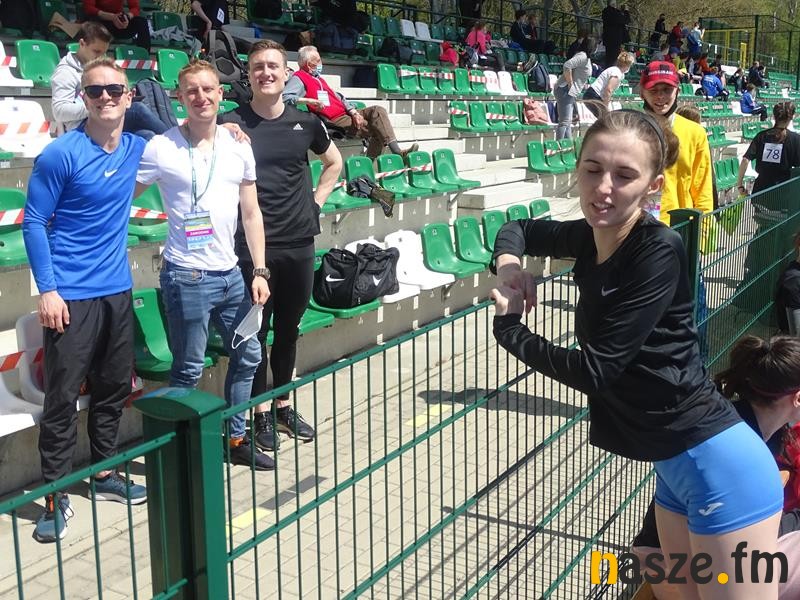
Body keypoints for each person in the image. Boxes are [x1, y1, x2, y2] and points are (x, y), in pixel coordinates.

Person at [490, 108, 783, 600]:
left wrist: (509, 329)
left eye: (624, 175)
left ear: (653, 185)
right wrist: (509, 266)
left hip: (725, 471)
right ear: (577, 169)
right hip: (674, 470)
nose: (604, 188)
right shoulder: (589, 236)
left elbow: (596, 370)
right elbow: (517, 227)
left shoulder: (657, 251)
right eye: (593, 169)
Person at [23, 57, 148, 543]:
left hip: (117, 290)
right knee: (61, 398)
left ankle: (104, 473)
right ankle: (55, 494)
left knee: (114, 387)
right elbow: (35, 222)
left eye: (114, 90)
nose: (105, 98)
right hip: (70, 297)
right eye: (95, 91)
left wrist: (229, 127)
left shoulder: (137, 147)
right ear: (83, 99)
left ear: (128, 95)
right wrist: (48, 290)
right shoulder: (61, 154)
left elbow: (191, 138)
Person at [136, 60, 273, 470]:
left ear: (220, 94)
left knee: (248, 356)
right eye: (192, 90)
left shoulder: (238, 144)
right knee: (189, 369)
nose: (201, 97)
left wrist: (260, 270)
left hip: (232, 276)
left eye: (208, 89)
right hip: (186, 277)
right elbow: (124, 194)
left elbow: (251, 213)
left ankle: (236, 439)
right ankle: (184, 455)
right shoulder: (161, 147)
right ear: (179, 96)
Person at [221, 40, 342, 452]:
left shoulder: (306, 122)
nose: (266, 73)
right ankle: (258, 415)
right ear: (249, 73)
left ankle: (283, 405)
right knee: (255, 334)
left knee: (288, 331)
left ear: (287, 74)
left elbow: (335, 163)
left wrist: (316, 203)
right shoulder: (230, 122)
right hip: (251, 249)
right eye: (258, 66)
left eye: (273, 66)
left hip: (299, 243)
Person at [631, 334, 800, 600]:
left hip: (676, 553)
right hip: (676, 568)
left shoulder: (741, 421)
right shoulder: (740, 451)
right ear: (797, 398)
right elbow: (731, 537)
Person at [283, 46, 417, 160]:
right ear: (309, 64)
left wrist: (354, 113)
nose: (321, 63)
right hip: (335, 120)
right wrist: (308, 100)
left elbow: (340, 98)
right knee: (376, 128)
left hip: (347, 113)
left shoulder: (319, 79)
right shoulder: (299, 78)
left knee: (378, 110)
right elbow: (285, 97)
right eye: (318, 60)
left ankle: (395, 152)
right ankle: (391, 157)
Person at [50, 22, 168, 139]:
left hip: (103, 119)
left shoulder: (97, 67)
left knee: (147, 135)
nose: (100, 57)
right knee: (137, 109)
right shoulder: (65, 72)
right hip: (82, 127)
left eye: (103, 53)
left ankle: (171, 142)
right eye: (96, 51)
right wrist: (97, 106)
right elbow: (59, 111)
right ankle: (173, 139)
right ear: (82, 43)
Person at [639, 60, 713, 225]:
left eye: (667, 90)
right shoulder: (628, 127)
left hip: (678, 227)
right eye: (653, 90)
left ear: (677, 91)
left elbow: (703, 190)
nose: (660, 96)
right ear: (642, 92)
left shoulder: (695, 133)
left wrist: (702, 231)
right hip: (634, 226)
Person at [737, 102, 800, 195]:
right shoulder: (796, 139)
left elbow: (745, 160)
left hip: (761, 190)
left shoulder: (761, 136)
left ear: (774, 117)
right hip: (784, 191)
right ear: (791, 118)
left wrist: (740, 185)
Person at [553, 37, 596, 139]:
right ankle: (558, 145)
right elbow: (567, 65)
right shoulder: (582, 56)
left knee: (567, 122)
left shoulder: (585, 57)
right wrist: (570, 83)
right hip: (565, 90)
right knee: (564, 122)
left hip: (570, 92)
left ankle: (568, 145)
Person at [82, 0, 150, 51]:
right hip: (100, 21)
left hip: (118, 22)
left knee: (141, 22)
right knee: (93, 21)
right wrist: (112, 17)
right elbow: (89, 8)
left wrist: (127, 17)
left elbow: (135, 7)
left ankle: (144, 54)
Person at [582, 51, 633, 116]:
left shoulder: (617, 71)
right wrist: (606, 106)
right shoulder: (616, 72)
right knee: (605, 118)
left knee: (603, 118)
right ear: (627, 65)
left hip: (592, 95)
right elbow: (608, 90)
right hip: (594, 95)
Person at [601, 0, 624, 68]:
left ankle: (608, 68)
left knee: (609, 57)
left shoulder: (605, 12)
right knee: (613, 59)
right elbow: (625, 20)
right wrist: (625, 11)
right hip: (615, 39)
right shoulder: (615, 13)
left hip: (608, 38)